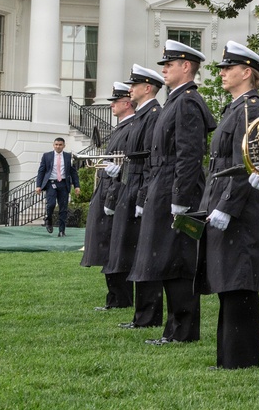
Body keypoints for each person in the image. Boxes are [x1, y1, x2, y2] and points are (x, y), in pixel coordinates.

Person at [129, 40, 216, 346]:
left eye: (169, 64)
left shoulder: (188, 102)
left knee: (178, 262)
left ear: (186, 67)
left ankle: (183, 330)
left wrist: (180, 198)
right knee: (167, 260)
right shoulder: (176, 100)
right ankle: (174, 329)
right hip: (165, 188)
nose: (163, 69)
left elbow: (189, 155)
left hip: (177, 192)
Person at [197, 41, 259, 369]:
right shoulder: (236, 107)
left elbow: (246, 164)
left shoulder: (250, 110)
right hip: (226, 204)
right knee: (228, 281)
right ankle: (229, 357)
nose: (223, 73)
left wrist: (226, 205)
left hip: (240, 209)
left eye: (229, 68)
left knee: (238, 281)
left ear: (246, 72)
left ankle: (240, 359)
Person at [110, 64, 165, 331]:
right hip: (131, 184)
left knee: (146, 254)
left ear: (147, 88)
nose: (128, 89)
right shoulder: (144, 116)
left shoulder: (153, 115)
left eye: (134, 85)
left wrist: (143, 196)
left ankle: (148, 315)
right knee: (137, 252)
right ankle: (142, 315)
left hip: (141, 186)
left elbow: (151, 161)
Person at [80, 82, 137, 311]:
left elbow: (126, 163)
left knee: (115, 248)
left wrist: (113, 192)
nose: (111, 105)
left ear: (126, 103)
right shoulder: (122, 127)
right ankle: (114, 297)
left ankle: (121, 299)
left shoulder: (131, 127)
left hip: (116, 191)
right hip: (108, 190)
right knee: (107, 247)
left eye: (115, 101)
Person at [36, 137, 82, 236]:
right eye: (56, 144)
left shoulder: (68, 156)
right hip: (51, 183)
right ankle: (49, 219)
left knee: (63, 208)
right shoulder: (46, 156)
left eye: (60, 145)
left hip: (64, 184)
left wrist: (77, 186)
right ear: (53, 145)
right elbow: (41, 171)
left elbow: (73, 173)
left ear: (64, 146)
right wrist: (38, 185)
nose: (58, 146)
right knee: (51, 204)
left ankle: (62, 231)